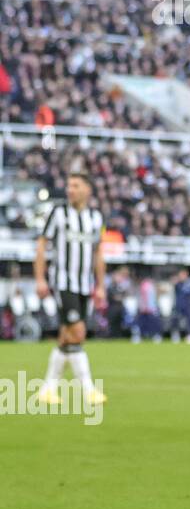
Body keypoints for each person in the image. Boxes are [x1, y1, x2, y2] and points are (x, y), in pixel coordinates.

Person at [34, 171, 107, 405]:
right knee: (78, 333)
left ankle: (47, 389)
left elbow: (98, 253)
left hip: (85, 285)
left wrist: (101, 285)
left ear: (88, 190)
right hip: (64, 282)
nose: (70, 190)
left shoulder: (95, 217)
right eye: (68, 185)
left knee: (67, 337)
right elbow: (42, 245)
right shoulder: (58, 213)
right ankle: (88, 391)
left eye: (75, 185)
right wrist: (40, 279)